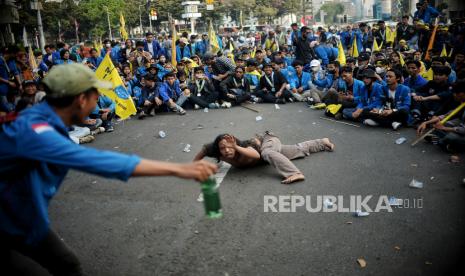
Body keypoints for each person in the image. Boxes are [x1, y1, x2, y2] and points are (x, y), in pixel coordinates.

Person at [0, 63, 217, 275]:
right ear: (81, 99)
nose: (97, 105)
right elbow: (96, 160)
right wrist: (179, 169)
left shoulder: (43, 121)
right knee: (66, 265)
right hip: (12, 218)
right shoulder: (37, 132)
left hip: (20, 217)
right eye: (96, 97)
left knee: (63, 264)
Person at [193, 131, 334, 184]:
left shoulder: (246, 146)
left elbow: (256, 154)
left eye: (230, 146)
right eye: (223, 148)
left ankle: (295, 173)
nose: (227, 150)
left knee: (266, 153)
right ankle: (323, 142)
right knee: (298, 150)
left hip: (268, 142)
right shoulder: (213, 149)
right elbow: (201, 154)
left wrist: (235, 147)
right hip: (271, 155)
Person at [417, 81, 465, 152]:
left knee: (450, 137)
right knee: (440, 124)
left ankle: (448, 143)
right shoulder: (461, 102)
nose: (454, 95)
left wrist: (444, 128)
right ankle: (442, 138)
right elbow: (447, 115)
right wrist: (426, 122)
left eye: (456, 93)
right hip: (461, 123)